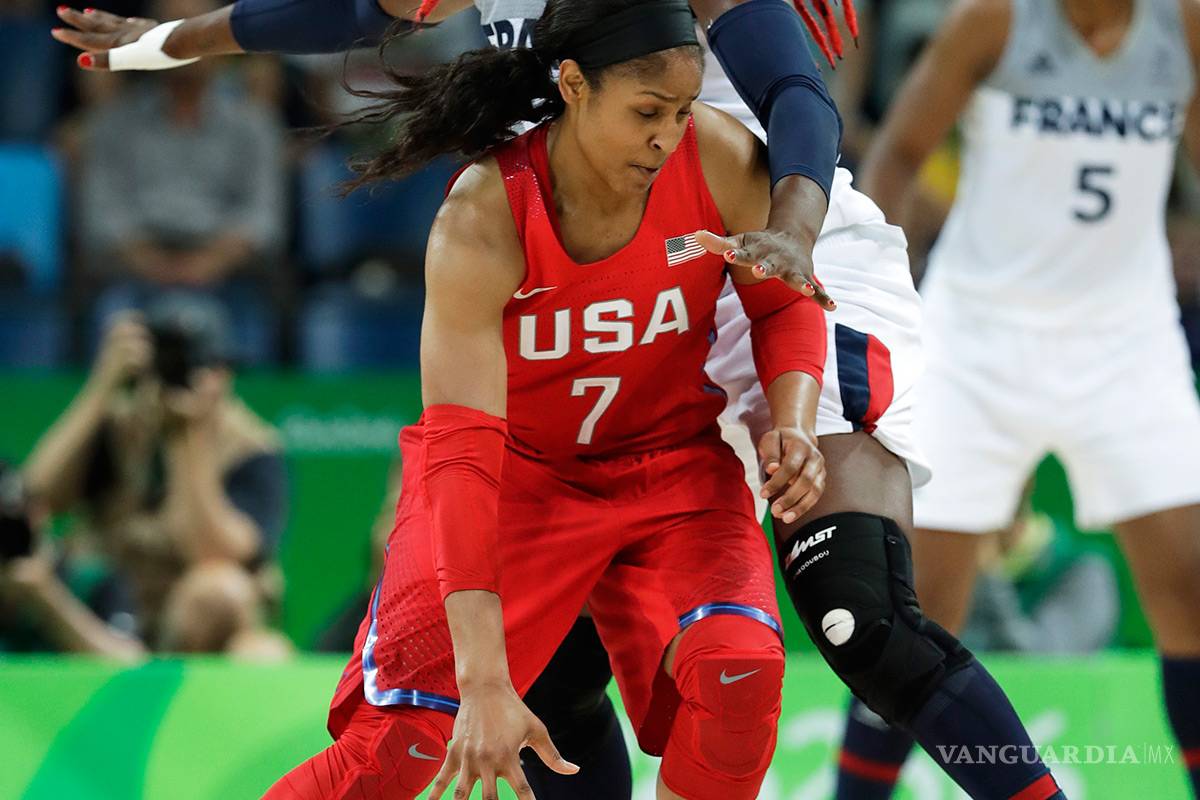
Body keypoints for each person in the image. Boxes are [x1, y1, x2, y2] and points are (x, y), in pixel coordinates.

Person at [54, 2, 1069, 799]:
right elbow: (345, 12)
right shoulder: (488, 210)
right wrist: (163, 45)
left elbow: (800, 91)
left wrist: (791, 239)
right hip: (579, 289)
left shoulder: (707, 144)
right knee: (531, 680)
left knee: (853, 618)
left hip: (759, 244)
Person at [844, 0, 1200, 797]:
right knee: (914, 620)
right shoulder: (994, 19)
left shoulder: (1182, 26)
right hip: (978, 342)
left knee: (1192, 597)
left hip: (1128, 341)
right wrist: (871, 304)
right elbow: (898, 154)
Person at [20, 294, 291, 656]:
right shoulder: (119, 426)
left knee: (220, 594)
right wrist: (102, 385)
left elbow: (212, 554)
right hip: (108, 612)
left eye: (198, 367)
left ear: (225, 372)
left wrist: (186, 439)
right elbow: (37, 499)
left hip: (192, 628)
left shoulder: (252, 448)